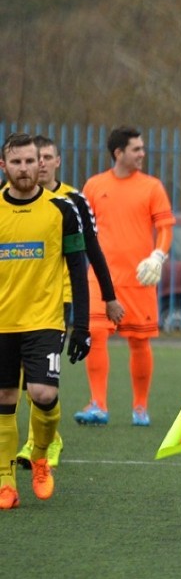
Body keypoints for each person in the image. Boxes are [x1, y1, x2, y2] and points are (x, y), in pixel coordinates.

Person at [14, 136, 123, 469]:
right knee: (19, 379)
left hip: (56, 301)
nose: (41, 163)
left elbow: (92, 251)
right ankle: (51, 436)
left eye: (47, 157)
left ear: (57, 162)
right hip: (18, 303)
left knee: (38, 380)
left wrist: (108, 297)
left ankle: (37, 444)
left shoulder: (72, 201)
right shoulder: (13, 202)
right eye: (37, 157)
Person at [0, 132, 91, 510]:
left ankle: (39, 458)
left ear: (42, 164)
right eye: (15, 162)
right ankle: (5, 479)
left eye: (29, 161)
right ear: (4, 166)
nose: (23, 169)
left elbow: (78, 268)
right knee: (5, 399)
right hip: (3, 323)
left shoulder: (62, 209)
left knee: (43, 394)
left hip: (44, 320)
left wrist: (82, 326)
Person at [73, 126, 175, 427]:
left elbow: (165, 227)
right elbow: (83, 232)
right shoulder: (94, 185)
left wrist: (158, 255)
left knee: (140, 341)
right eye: (136, 149)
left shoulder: (152, 187)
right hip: (100, 279)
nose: (142, 153)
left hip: (139, 280)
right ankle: (98, 405)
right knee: (95, 334)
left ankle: (140, 408)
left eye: (142, 148)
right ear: (119, 153)